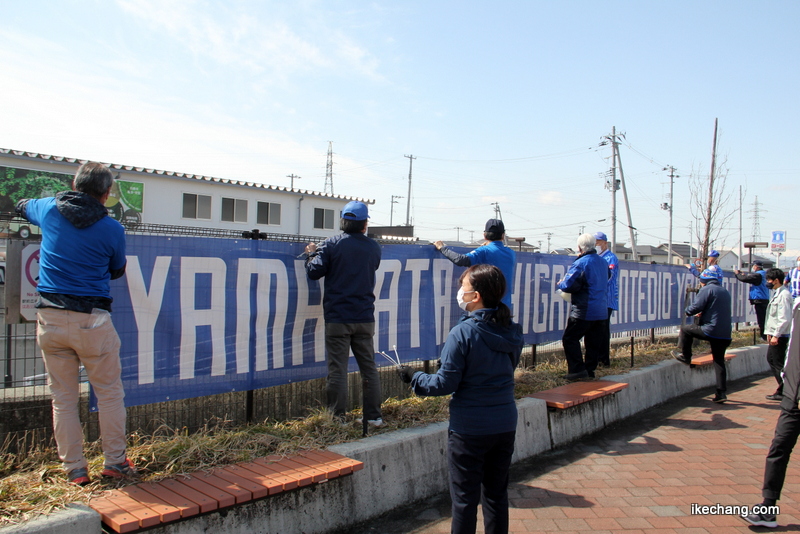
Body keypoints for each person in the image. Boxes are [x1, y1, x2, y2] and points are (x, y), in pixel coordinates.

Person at [14, 162, 133, 486]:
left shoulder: (49, 209)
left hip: (50, 318)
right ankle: (115, 463)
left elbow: (22, 205)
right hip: (92, 320)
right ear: (106, 195)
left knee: (62, 398)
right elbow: (117, 269)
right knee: (108, 393)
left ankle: (75, 471)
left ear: (74, 183)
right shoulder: (113, 229)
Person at [397, 264, 523, 534]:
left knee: (465, 501)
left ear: (475, 296)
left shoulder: (462, 333)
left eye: (462, 287)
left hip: (470, 429)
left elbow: (445, 383)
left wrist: (414, 377)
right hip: (505, 424)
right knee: (496, 495)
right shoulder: (512, 330)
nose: (458, 292)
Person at [304, 200, 384, 426]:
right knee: (369, 368)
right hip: (365, 317)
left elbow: (314, 272)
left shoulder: (331, 245)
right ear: (365, 224)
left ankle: (337, 419)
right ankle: (374, 417)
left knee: (338, 370)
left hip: (338, 318)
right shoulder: (373, 247)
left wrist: (311, 253)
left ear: (342, 222)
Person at [743, 300, 800, 528]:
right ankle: (767, 508)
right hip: (792, 394)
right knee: (778, 448)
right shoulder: (798, 305)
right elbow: (793, 346)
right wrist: (786, 378)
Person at [672, 269, 732, 403]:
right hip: (725, 333)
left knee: (686, 330)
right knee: (719, 361)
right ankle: (721, 393)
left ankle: (686, 357)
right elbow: (715, 310)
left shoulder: (706, 290)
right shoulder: (724, 291)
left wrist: (687, 311)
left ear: (703, 280)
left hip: (711, 330)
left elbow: (696, 307)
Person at [557, 234, 608, 381]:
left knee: (570, 339)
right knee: (593, 343)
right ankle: (590, 371)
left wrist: (560, 283)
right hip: (601, 310)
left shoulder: (581, 263)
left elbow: (569, 284)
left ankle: (577, 370)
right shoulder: (603, 262)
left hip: (584, 310)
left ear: (579, 248)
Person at [433, 219, 516, 307]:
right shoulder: (511, 253)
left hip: (486, 307)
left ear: (484, 236)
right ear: (503, 236)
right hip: (505, 308)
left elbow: (460, 260)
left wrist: (442, 248)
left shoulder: (484, 251)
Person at [763, 268, 793, 401]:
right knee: (772, 360)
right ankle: (784, 389)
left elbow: (784, 318)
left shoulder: (784, 295)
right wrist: (770, 333)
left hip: (781, 336)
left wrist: (776, 334)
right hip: (776, 334)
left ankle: (786, 390)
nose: (768, 282)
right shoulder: (777, 293)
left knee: (777, 362)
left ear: (776, 280)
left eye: (769, 280)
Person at [594, 231, 618, 367]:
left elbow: (608, 277)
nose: (596, 244)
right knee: (597, 329)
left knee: (603, 329)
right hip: (597, 299)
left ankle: (604, 360)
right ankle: (597, 358)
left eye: (598, 242)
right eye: (595, 242)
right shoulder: (595, 258)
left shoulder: (610, 258)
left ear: (605, 243)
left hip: (607, 299)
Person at [735, 259, 770, 340]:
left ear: (756, 267)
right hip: (764, 298)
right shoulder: (764, 274)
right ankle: (764, 335)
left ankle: (764, 336)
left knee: (762, 319)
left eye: (753, 266)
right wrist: (742, 275)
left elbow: (744, 279)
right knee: (764, 318)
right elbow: (748, 278)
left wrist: (737, 274)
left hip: (760, 298)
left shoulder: (758, 275)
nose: (753, 268)